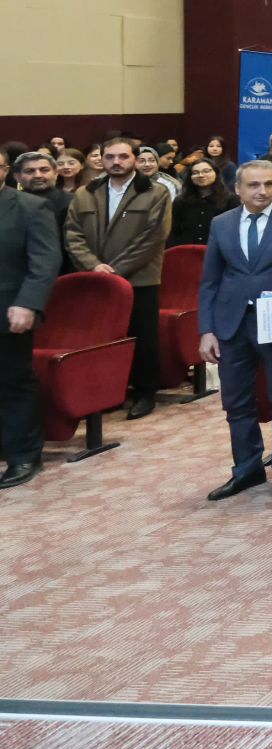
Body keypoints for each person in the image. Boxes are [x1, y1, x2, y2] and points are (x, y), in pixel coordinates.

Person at [195, 160, 272, 499]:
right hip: (232, 323)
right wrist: (206, 329)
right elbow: (210, 280)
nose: (262, 191)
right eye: (254, 185)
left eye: (269, 184)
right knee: (236, 402)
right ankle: (247, 469)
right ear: (238, 189)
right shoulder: (221, 223)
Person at [64, 137, 171, 420]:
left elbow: (153, 237)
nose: (116, 162)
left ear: (134, 158)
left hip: (139, 279)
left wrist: (115, 270)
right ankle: (110, 392)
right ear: (101, 159)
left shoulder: (155, 192)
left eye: (123, 156)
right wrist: (93, 266)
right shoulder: (86, 192)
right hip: (96, 280)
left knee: (143, 337)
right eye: (110, 156)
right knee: (104, 339)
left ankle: (145, 392)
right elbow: (73, 234)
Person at [0, 181, 60, 490]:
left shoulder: (31, 207)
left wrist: (29, 303)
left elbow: (45, 261)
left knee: (13, 382)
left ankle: (24, 455)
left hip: (9, 309)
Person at [169, 158, 234, 247]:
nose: (201, 175)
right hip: (186, 251)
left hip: (218, 251)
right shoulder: (181, 201)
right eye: (195, 173)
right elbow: (173, 231)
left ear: (216, 173)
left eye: (206, 171)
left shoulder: (231, 200)